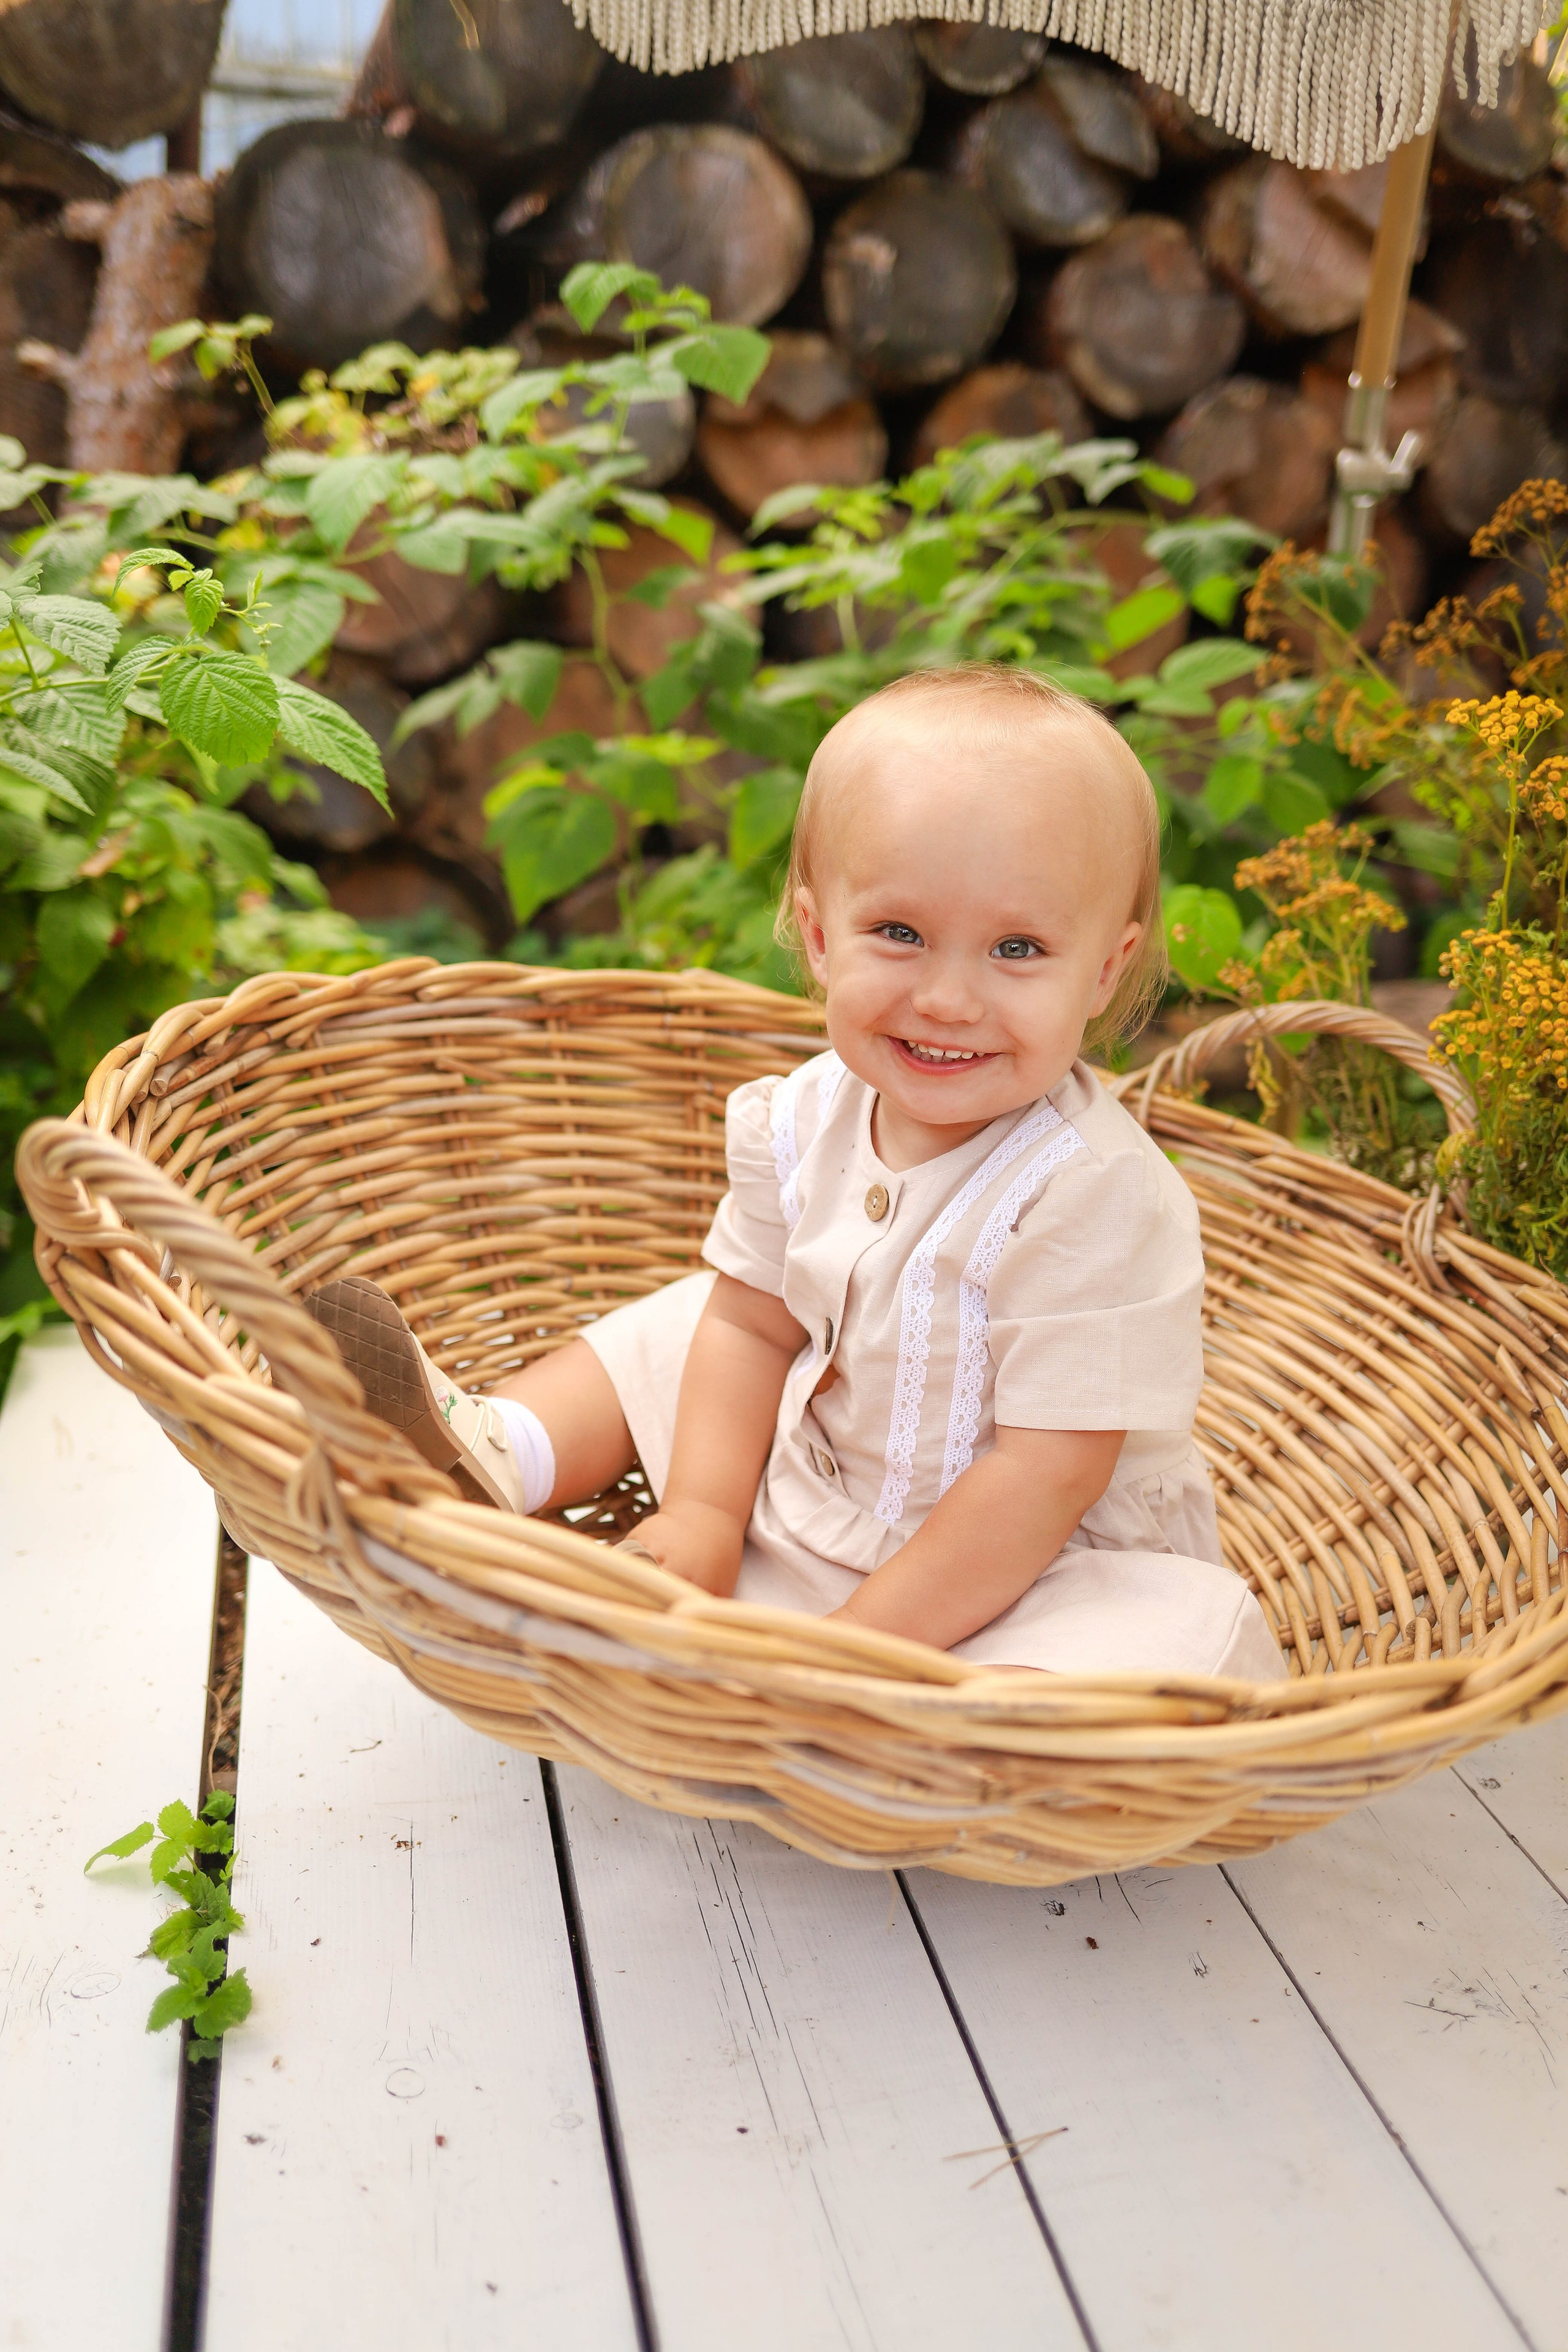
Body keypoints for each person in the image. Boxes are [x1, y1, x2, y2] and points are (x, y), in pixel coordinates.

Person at [308, 666, 1283, 1680]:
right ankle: (507, 1449)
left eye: (1018, 948)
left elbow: (1045, 1479)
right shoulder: (803, 1113)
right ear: (820, 939)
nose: (949, 998)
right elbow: (750, 1329)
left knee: (1166, 1647)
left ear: (1104, 972)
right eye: (900, 934)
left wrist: (859, 1649)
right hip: (806, 1490)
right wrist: (702, 1514)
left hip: (1017, 1571)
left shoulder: (1090, 1195)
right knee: (702, 1317)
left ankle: (892, 1708)